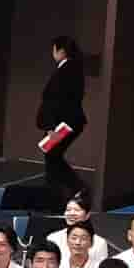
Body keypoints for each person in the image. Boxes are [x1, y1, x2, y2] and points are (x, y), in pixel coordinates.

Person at [32, 35, 89, 203]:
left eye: (54, 49)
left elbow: (55, 101)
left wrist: (50, 127)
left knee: (52, 157)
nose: (53, 53)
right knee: (52, 156)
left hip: (61, 124)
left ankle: (69, 190)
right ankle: (63, 191)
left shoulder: (66, 70)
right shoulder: (74, 69)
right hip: (67, 122)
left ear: (61, 51)